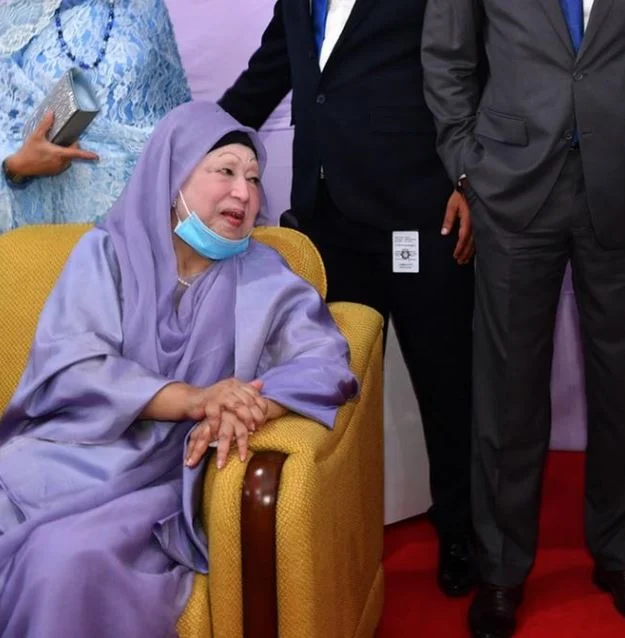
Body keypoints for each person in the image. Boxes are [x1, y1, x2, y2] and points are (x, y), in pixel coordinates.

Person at [0, 101, 357, 638]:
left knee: (61, 562)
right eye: (226, 171)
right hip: (70, 453)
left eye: (253, 178)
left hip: (162, 479)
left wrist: (253, 403)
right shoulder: (108, 253)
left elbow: (324, 360)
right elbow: (74, 365)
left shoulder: (265, 275)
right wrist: (195, 398)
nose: (244, 192)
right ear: (173, 177)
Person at [422, 0, 625, 635]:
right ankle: (500, 569)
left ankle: (624, 555)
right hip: (509, 186)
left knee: (624, 385)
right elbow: (445, 58)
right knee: (507, 388)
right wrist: (468, 166)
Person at [217, 1, 478, 596]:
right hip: (326, 221)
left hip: (419, 211)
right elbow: (265, 77)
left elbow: (470, 72)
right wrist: (191, 144)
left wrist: (472, 181)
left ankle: (461, 530)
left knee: (446, 382)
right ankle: (341, 525)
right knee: (336, 387)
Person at [0, 0, 191, 232]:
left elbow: (194, 120)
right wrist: (17, 165)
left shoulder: (163, 13)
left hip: (136, 220)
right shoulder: (20, 13)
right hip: (38, 227)